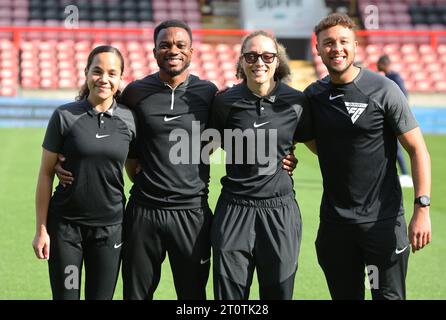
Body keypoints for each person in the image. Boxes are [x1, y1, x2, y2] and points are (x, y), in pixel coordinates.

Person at [55, 20, 297, 300]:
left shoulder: (210, 94)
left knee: (192, 298)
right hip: (144, 212)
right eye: (165, 45)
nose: (173, 50)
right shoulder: (136, 92)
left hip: (192, 214)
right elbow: (107, 123)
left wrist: (284, 156)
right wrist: (71, 159)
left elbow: (241, 133)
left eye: (181, 45)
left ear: (192, 52)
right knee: (136, 295)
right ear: (154, 51)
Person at [304, 13, 431, 300]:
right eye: (328, 43)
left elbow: (417, 149)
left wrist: (422, 208)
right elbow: (307, 138)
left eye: (343, 41)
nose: (336, 48)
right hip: (336, 227)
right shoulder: (314, 95)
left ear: (355, 46)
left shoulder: (384, 90)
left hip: (381, 225)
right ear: (318, 48)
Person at [210, 31, 313, 300]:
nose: (260, 62)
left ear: (277, 61)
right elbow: (204, 145)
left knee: (278, 293)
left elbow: (317, 145)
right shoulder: (223, 102)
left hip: (279, 211)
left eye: (267, 56)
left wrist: (291, 153)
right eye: (251, 56)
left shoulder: (297, 102)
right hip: (235, 209)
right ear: (241, 62)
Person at [32, 45, 137, 300]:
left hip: (110, 230)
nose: (104, 78)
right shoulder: (64, 116)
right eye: (97, 71)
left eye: (112, 73)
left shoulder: (131, 120)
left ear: (121, 77)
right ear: (86, 73)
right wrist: (42, 229)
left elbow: (135, 171)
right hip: (66, 230)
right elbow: (46, 174)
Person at [377, 54, 413, 188]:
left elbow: (403, 96)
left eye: (379, 63)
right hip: (386, 117)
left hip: (394, 117)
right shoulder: (386, 77)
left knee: (396, 147)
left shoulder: (394, 78)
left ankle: (405, 175)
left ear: (384, 64)